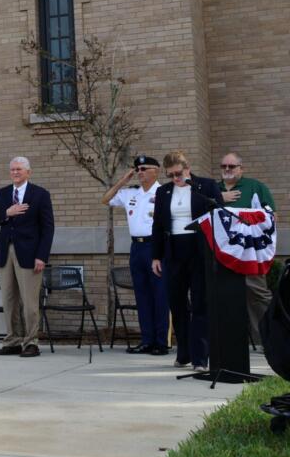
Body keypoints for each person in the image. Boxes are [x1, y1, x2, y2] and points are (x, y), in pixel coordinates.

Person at [152, 150, 223, 372]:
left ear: (187, 168)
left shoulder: (206, 187)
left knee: (200, 302)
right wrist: (156, 255)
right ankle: (184, 353)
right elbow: (158, 225)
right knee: (177, 303)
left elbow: (220, 215)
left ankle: (201, 358)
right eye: (171, 175)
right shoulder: (164, 192)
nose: (176, 179)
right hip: (174, 250)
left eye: (179, 174)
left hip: (199, 249)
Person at [0, 157, 55, 358]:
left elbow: (48, 228)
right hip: (5, 253)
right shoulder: (2, 194)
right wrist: (7, 213)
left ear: (28, 172)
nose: (15, 172)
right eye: (12, 169)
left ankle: (31, 342)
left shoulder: (40, 195)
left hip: (30, 255)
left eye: (19, 169)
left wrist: (42, 256)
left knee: (29, 302)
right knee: (9, 300)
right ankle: (13, 341)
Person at [102, 155, 168, 355]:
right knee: (142, 296)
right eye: (137, 169)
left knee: (159, 296)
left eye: (144, 168)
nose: (140, 172)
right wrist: (123, 181)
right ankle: (147, 340)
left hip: (156, 247)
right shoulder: (131, 193)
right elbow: (105, 199)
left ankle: (161, 342)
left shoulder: (164, 192)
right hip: (136, 248)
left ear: (156, 171)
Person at [218, 152, 277, 347]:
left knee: (257, 295)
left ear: (241, 168)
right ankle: (231, 343)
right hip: (221, 254)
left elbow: (271, 216)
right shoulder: (214, 189)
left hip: (250, 252)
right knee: (224, 296)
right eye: (223, 166)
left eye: (231, 166)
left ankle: (267, 341)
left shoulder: (255, 187)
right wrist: (220, 198)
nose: (227, 170)